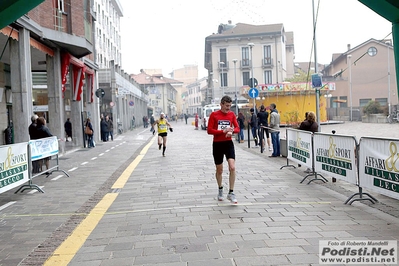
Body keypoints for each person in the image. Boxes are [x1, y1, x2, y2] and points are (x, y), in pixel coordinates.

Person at [207, 96, 240, 204]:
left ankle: (231, 192)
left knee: (232, 167)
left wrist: (232, 131)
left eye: (230, 106)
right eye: (226, 106)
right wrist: (223, 131)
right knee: (219, 170)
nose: (228, 108)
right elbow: (209, 130)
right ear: (221, 104)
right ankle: (220, 188)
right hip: (217, 144)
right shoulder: (214, 115)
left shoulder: (231, 115)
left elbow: (237, 128)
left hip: (228, 143)